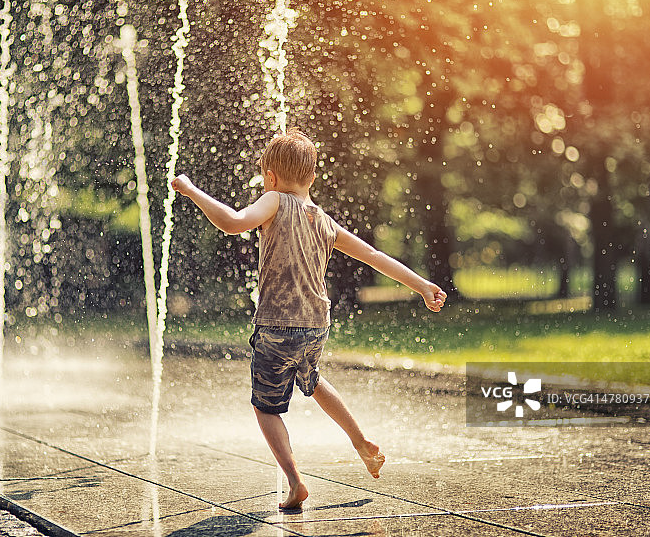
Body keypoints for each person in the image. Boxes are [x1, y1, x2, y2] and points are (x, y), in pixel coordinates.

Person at [171, 128, 447, 510]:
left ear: (269, 177)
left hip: (276, 325)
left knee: (265, 406)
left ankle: (296, 482)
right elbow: (372, 256)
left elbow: (233, 222)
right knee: (312, 380)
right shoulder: (323, 219)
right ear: (313, 178)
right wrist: (421, 285)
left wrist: (189, 190)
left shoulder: (273, 200)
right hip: (317, 324)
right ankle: (360, 441)